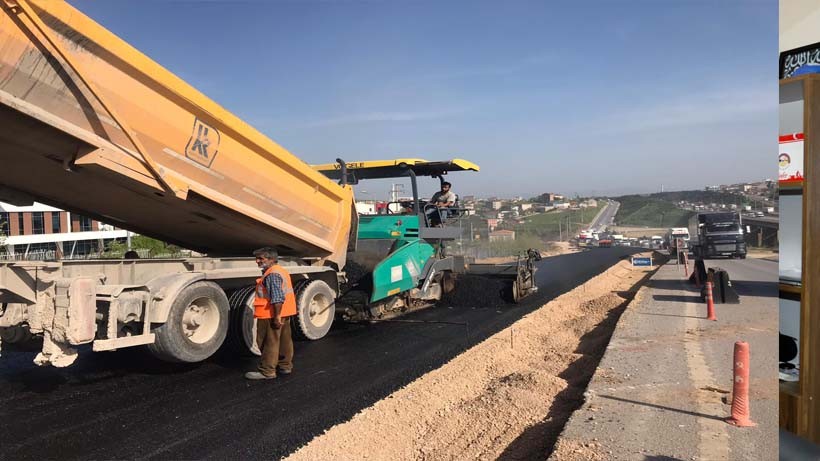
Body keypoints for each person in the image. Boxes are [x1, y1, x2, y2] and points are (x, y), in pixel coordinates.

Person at [245, 247, 297, 380]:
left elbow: (278, 297)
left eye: (261, 258)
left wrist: (276, 317)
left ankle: (267, 371)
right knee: (285, 340)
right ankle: (285, 366)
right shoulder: (280, 270)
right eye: (256, 258)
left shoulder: (272, 274)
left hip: (270, 314)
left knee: (269, 342)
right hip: (284, 313)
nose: (257, 261)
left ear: (272, 259)